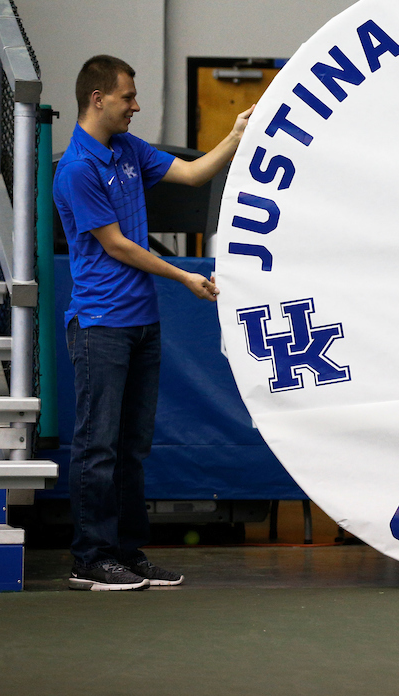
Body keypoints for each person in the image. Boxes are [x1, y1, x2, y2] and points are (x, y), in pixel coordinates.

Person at [53, 54, 253, 591]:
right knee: (98, 447)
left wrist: (233, 136)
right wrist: (184, 276)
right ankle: (89, 558)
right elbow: (116, 245)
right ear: (98, 99)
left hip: (141, 324)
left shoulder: (127, 150)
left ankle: (125, 552)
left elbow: (190, 174)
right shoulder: (76, 169)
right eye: (127, 97)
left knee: (131, 447)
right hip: (100, 327)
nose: (135, 106)